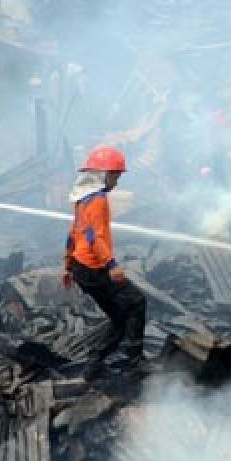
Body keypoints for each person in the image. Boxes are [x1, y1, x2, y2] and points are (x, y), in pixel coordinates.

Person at [63, 145, 148, 373]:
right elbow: (94, 237)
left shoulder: (82, 198)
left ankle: (94, 364)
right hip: (95, 269)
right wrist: (112, 265)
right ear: (104, 175)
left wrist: (68, 265)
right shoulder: (98, 200)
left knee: (120, 316)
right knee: (137, 302)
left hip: (81, 270)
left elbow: (74, 233)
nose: (116, 183)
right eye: (116, 177)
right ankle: (135, 360)